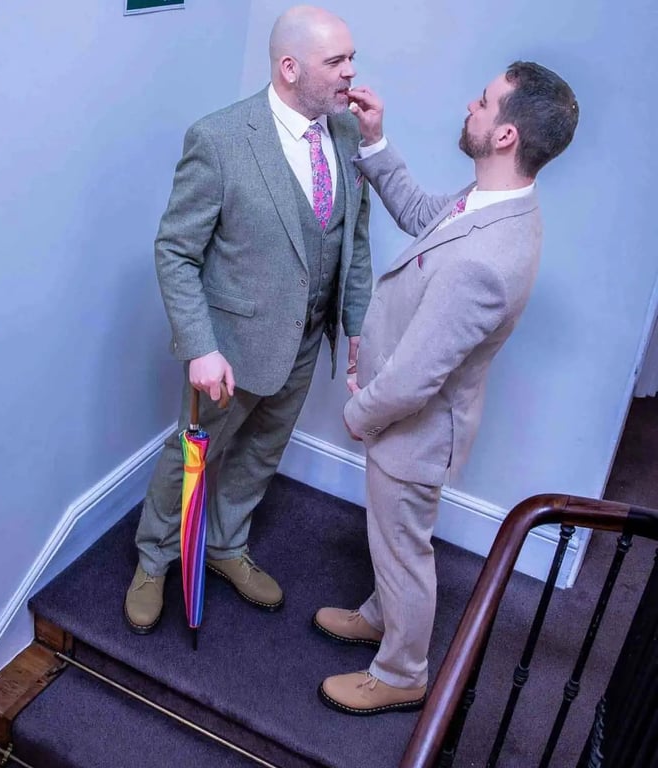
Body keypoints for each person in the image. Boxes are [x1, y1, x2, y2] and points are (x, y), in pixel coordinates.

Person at [314, 62, 579, 714]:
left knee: (403, 550)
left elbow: (415, 378)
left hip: (414, 430)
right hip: (408, 419)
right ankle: (383, 617)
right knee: (393, 540)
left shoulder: (490, 259)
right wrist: (375, 140)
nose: (470, 105)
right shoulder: (491, 203)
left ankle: (402, 672)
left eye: (484, 102)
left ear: (507, 135)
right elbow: (421, 215)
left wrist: (358, 414)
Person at [125, 5, 372, 634]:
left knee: (263, 450)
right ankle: (153, 559)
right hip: (230, 348)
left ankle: (225, 544)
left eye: (351, 58)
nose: (350, 72)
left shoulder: (348, 134)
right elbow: (176, 251)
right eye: (336, 62)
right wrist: (200, 346)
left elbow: (355, 238)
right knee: (191, 455)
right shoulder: (220, 140)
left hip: (304, 342)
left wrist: (355, 326)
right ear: (290, 68)